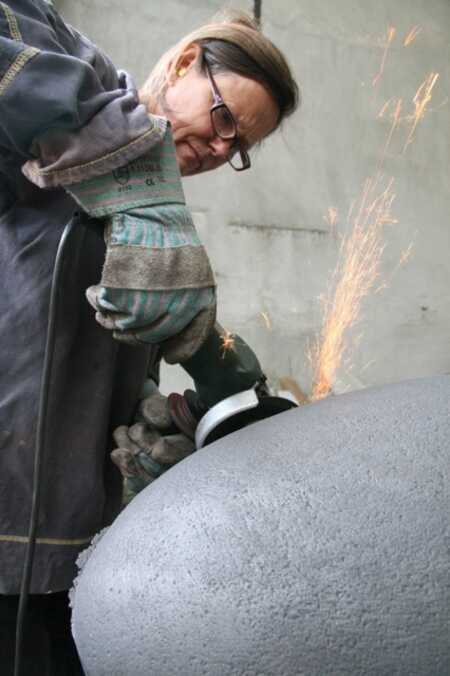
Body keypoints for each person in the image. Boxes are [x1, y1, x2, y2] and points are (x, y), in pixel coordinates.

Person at [0, 0, 299, 673]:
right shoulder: (88, 100)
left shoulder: (159, 237)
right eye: (225, 119)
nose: (221, 149)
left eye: (238, 149)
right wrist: (131, 166)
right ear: (187, 62)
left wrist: (149, 431)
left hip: (78, 551)